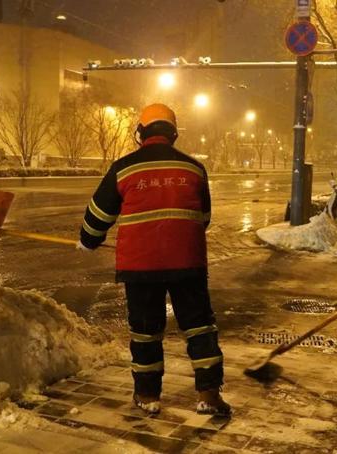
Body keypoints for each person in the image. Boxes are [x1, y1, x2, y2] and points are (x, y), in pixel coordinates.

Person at [77, 103, 230, 416]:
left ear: (141, 132)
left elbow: (98, 216)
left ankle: (147, 397)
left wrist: (88, 241)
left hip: (141, 267)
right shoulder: (193, 168)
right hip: (188, 263)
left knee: (146, 331)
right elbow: (204, 217)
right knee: (200, 327)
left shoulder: (124, 167)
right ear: (173, 134)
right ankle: (208, 395)